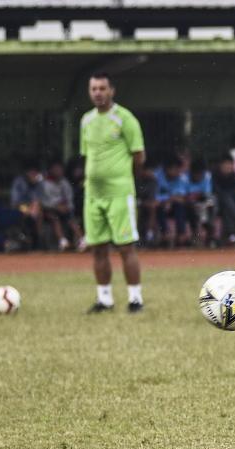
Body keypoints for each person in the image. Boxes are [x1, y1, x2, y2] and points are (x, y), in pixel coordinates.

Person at [80, 72, 146, 312]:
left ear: (111, 91)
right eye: (93, 88)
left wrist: (125, 177)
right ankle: (104, 299)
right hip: (93, 195)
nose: (97, 93)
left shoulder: (124, 118)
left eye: (102, 88)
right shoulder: (86, 120)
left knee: (125, 246)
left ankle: (135, 298)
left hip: (120, 193)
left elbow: (139, 155)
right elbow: (88, 155)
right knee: (97, 247)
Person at [40, 159, 85, 251]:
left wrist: (67, 208)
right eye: (56, 169)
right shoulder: (44, 183)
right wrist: (56, 207)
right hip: (49, 210)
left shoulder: (64, 182)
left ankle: (83, 241)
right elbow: (43, 201)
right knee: (54, 218)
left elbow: (70, 199)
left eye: (60, 169)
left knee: (71, 219)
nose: (59, 171)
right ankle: (63, 242)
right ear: (51, 170)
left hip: (65, 210)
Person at [154, 153, 189, 247]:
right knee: (159, 208)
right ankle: (165, 235)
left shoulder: (181, 177)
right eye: (175, 169)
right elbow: (155, 198)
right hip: (160, 206)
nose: (178, 171)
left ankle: (181, 236)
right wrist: (167, 201)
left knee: (180, 207)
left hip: (175, 206)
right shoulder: (157, 176)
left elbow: (180, 197)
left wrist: (169, 201)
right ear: (168, 168)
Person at [10, 160, 44, 249]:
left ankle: (37, 240)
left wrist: (33, 207)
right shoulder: (19, 181)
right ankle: (27, 238)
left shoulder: (38, 183)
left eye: (35, 173)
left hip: (33, 208)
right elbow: (16, 202)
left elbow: (38, 200)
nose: (34, 175)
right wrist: (29, 208)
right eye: (32, 173)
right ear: (27, 173)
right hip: (19, 207)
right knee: (29, 213)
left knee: (38, 212)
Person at [186, 157, 216, 246]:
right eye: (196, 174)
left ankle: (209, 234)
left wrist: (202, 204)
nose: (199, 176)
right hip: (190, 205)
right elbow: (184, 196)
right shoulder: (185, 177)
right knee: (192, 209)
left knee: (211, 203)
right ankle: (195, 235)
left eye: (200, 173)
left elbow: (207, 195)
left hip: (204, 204)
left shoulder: (207, 176)